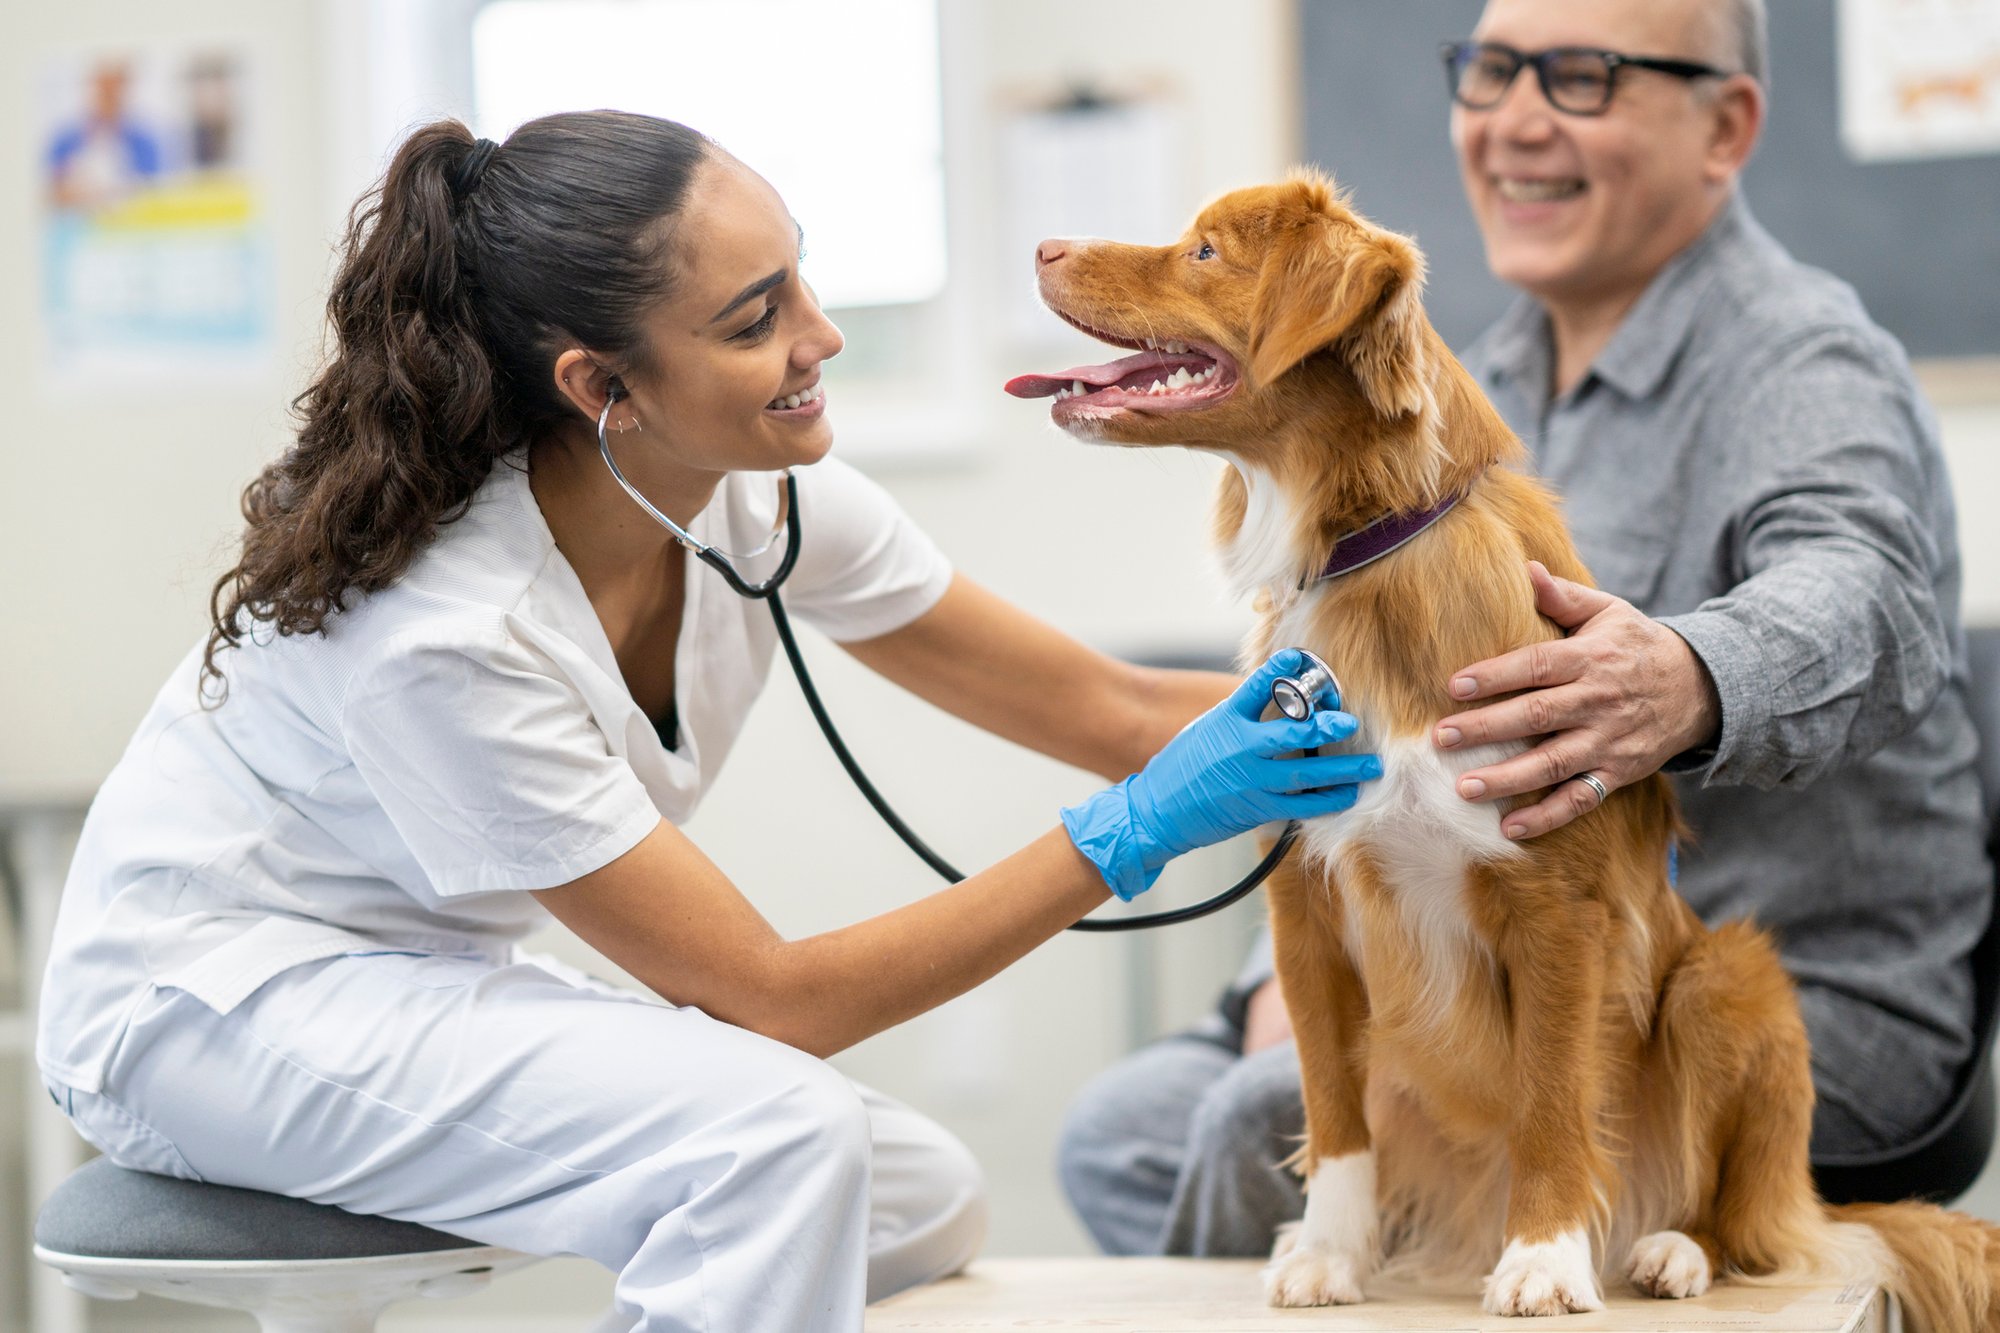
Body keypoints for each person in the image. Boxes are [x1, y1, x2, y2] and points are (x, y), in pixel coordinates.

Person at [34, 112, 1386, 1333]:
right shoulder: (446, 633)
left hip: (420, 972)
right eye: (754, 321)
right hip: (204, 1007)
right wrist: (1134, 830)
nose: (822, 337)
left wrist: (1433, 737)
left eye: (800, 277)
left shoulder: (764, 497)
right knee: (778, 1141)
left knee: (915, 1195)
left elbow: (1109, 704)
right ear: (598, 387)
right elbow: (776, 999)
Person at [1058, 0, 1993, 1258]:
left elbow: (1866, 595)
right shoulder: (1460, 381)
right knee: (1122, 1125)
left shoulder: (1803, 360)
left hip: (1745, 1005)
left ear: (1725, 127)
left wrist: (1688, 674)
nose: (1512, 120)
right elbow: (1372, 751)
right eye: (1489, 69)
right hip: (1468, 977)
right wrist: (1283, 977)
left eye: (1581, 76)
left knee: (1230, 1125)